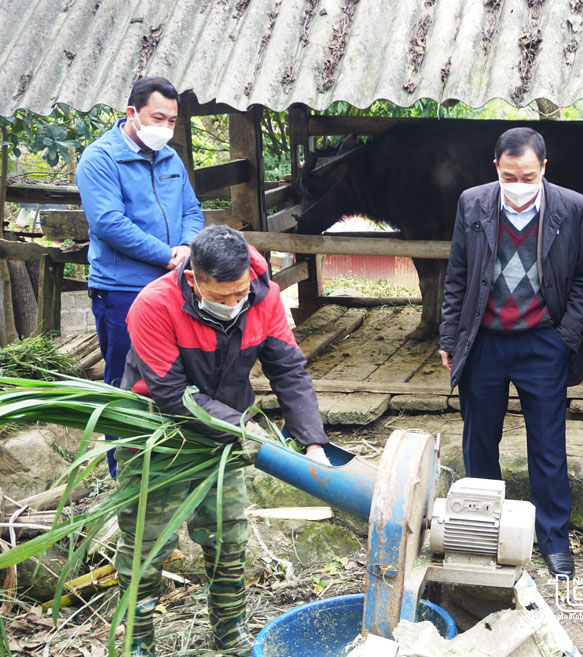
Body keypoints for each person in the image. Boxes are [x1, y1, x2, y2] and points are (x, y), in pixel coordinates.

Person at [117, 226, 331, 656]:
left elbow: (288, 370)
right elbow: (174, 395)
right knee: (146, 542)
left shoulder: (263, 296)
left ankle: (229, 634)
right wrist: (242, 427)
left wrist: (312, 441)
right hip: (158, 435)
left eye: (241, 292)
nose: (236, 302)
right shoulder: (154, 305)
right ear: (194, 279)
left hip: (225, 439)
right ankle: (137, 643)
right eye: (225, 295)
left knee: (227, 538)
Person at [439, 127, 583, 579]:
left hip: (542, 342)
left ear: (543, 169)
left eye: (528, 176)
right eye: (510, 176)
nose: (519, 185)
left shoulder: (573, 207)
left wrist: (565, 338)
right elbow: (457, 274)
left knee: (548, 447)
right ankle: (483, 535)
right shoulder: (473, 202)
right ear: (496, 169)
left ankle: (554, 540)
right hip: (484, 340)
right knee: (479, 441)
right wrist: (450, 336)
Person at [76, 76, 204, 477]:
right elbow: (109, 223)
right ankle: (125, 478)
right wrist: (167, 255)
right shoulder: (99, 159)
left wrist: (186, 245)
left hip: (174, 283)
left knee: (176, 375)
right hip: (124, 290)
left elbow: (192, 210)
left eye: (172, 121)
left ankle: (171, 465)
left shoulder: (170, 157)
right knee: (126, 383)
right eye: (158, 118)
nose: (165, 128)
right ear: (131, 113)